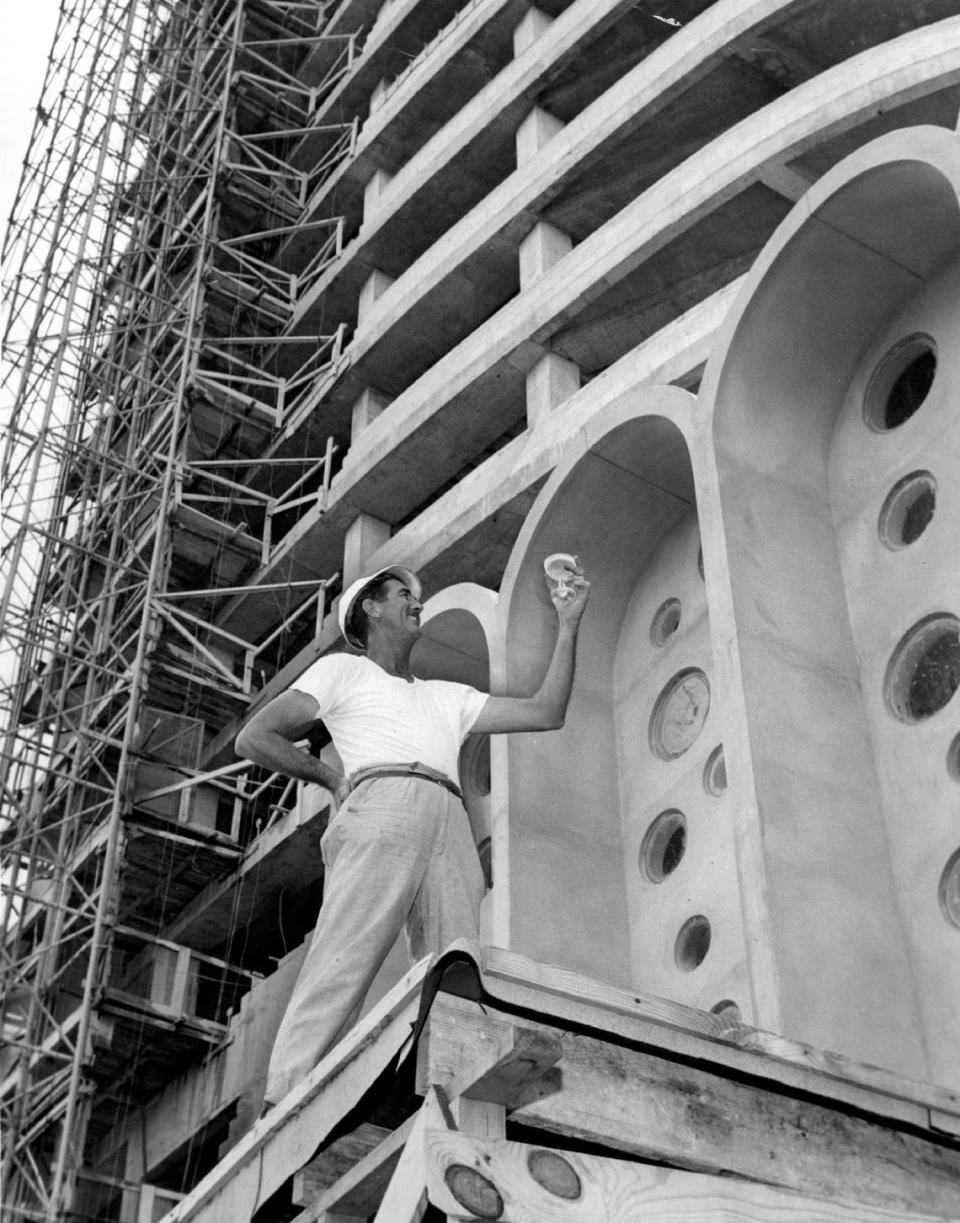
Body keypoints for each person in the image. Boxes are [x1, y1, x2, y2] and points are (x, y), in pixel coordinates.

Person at [234, 560, 590, 1107]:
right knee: (346, 952)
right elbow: (255, 737)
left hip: (449, 814)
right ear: (370, 609)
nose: (415, 600)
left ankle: (447, 1091)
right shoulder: (343, 672)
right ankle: (289, 1100)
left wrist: (569, 623)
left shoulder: (447, 696)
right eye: (403, 593)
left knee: (455, 962)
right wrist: (331, 778)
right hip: (383, 799)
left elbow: (547, 712)